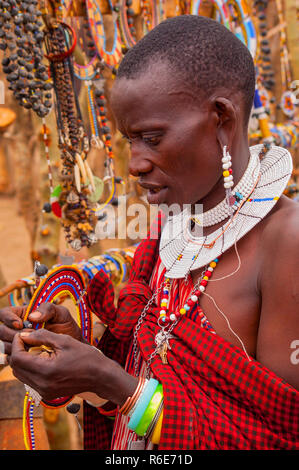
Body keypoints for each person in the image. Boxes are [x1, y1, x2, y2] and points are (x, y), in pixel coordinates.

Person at [0, 15, 298, 450]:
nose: (135, 164)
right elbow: (148, 374)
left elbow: (280, 437)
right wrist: (79, 356)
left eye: (152, 139)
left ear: (221, 119)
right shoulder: (171, 227)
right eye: (130, 142)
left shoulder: (286, 243)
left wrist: (113, 382)